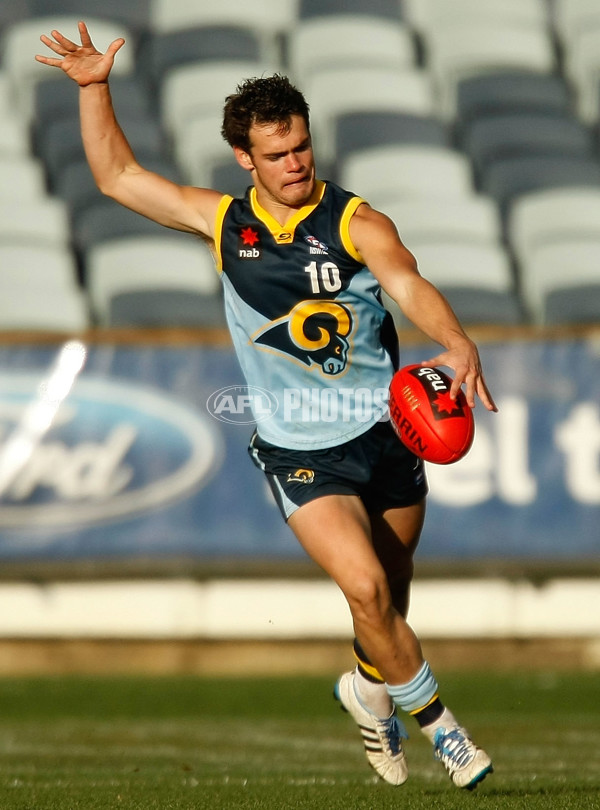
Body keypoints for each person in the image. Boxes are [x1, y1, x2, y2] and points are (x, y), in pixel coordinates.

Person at [36, 22, 497, 790]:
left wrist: (454, 340)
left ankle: (367, 689)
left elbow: (408, 282)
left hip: (386, 435)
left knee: (389, 591)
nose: (294, 164)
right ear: (244, 158)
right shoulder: (226, 224)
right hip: (299, 448)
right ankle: (444, 732)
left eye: (302, 148)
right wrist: (93, 89)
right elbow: (117, 178)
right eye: (276, 154)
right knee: (366, 589)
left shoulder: (355, 221)